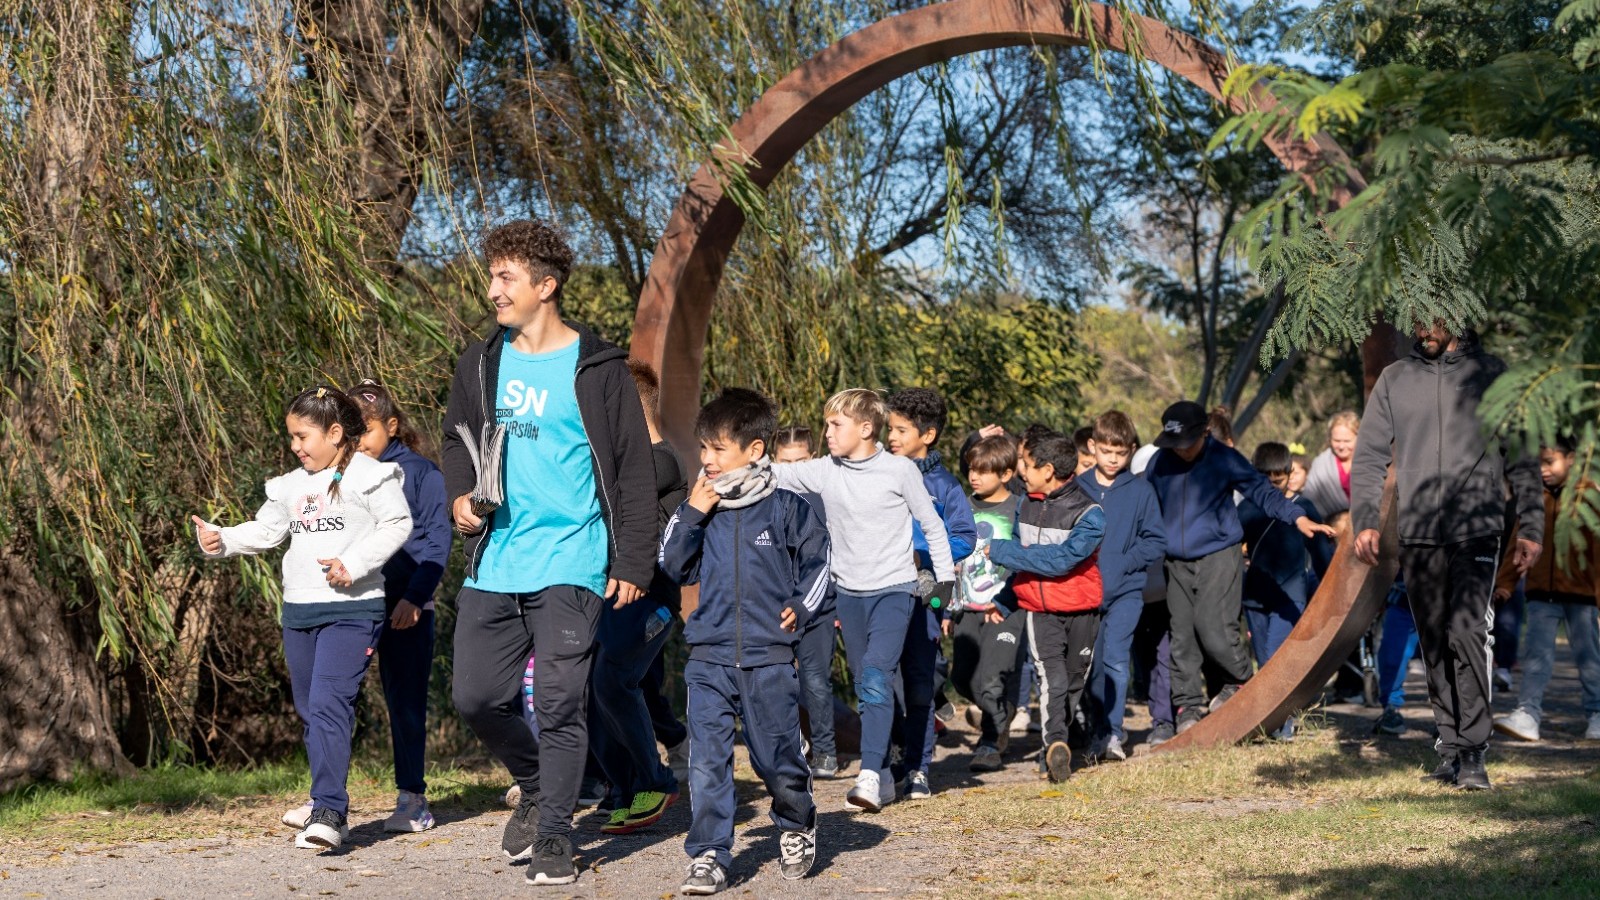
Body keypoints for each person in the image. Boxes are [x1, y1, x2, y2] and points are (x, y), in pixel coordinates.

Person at [442, 219, 656, 885]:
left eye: (505, 277)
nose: (493, 289)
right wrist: (459, 500)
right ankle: (537, 787)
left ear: (546, 285)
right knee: (476, 696)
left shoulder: (598, 368)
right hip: (499, 558)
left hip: (574, 557)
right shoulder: (482, 361)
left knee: (562, 702)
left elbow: (632, 470)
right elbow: (457, 440)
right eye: (493, 276)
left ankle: (556, 836)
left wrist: (632, 563)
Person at [193, 387, 411, 851]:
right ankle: (325, 800)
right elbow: (269, 530)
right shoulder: (292, 485)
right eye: (291, 436)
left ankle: (330, 811)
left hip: (352, 611)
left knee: (331, 703)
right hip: (299, 611)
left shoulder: (371, 475)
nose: (295, 445)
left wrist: (354, 562)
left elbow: (398, 524)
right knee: (312, 710)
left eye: (302, 436)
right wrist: (223, 538)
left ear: (335, 433)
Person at [1351, 322, 1544, 791]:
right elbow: (1369, 453)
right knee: (1434, 639)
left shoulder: (1494, 374)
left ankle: (1475, 752)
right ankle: (1452, 745)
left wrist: (1532, 526)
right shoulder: (1396, 378)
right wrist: (1366, 521)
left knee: (1466, 630)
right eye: (1414, 321)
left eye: (1430, 320)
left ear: (1456, 317)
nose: (1421, 330)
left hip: (1477, 527)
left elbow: (1521, 456)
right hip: (1417, 532)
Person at [659, 388, 830, 894]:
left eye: (718, 450)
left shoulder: (787, 508)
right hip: (708, 656)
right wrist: (692, 511)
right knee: (707, 761)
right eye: (703, 449)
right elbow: (672, 564)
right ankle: (709, 852)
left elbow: (820, 565)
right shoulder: (700, 506)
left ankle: (797, 821)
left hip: (768, 657)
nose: (707, 460)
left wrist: (801, 606)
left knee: (775, 760)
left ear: (754, 451)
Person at [772, 388, 955, 813]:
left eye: (836, 425)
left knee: (875, 676)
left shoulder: (899, 471)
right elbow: (773, 475)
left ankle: (870, 774)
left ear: (866, 428)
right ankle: (887, 779)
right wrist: (725, 469)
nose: (828, 432)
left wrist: (944, 588)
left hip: (895, 589)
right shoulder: (824, 471)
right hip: (849, 595)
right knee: (864, 683)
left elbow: (932, 525)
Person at [1146, 401, 1336, 734]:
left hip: (1219, 554)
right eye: (1174, 445)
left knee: (1213, 628)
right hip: (1175, 561)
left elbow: (1262, 492)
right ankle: (1188, 706)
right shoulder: (1160, 462)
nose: (1181, 451)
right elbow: (1143, 502)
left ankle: (1242, 680)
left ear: (1205, 432)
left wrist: (1298, 517)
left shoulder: (1224, 459)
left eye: (1187, 443)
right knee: (1183, 636)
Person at [344, 380, 451, 834]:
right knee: (334, 698)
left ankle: (413, 799)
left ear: (391, 426)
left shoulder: (422, 474)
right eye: (349, 431)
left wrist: (415, 597)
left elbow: (436, 543)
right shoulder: (341, 475)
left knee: (404, 703)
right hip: (353, 606)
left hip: (406, 608)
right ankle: (326, 800)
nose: (357, 441)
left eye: (365, 430)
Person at [587, 359, 687, 836]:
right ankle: (624, 788)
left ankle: (656, 780)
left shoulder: (659, 461)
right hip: (612, 598)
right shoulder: (627, 464)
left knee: (612, 680)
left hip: (652, 601)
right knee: (591, 687)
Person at [987, 433, 1106, 782]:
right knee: (1051, 679)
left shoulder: (1090, 513)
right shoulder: (1025, 504)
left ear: (1049, 469)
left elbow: (1059, 562)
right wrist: (1006, 600)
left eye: (1026, 464)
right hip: (1041, 612)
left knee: (1071, 683)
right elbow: (1023, 558)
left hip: (1083, 611)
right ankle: (1055, 745)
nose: (1021, 470)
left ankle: (1056, 744)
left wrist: (1003, 552)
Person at [885, 388, 976, 800]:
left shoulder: (944, 486)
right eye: (890, 428)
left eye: (901, 430)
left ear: (929, 434)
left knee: (921, 680)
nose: (892, 437)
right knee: (881, 681)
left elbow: (964, 536)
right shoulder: (876, 475)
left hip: (929, 592)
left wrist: (924, 557)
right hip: (880, 590)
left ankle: (919, 769)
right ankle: (889, 761)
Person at [1492, 437, 1600, 743]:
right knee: (1536, 656)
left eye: (1549, 461)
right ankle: (1528, 714)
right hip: (1540, 594)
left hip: (1581, 597)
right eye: (1538, 463)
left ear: (1571, 459)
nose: (1543, 470)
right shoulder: (1534, 499)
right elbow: (1519, 542)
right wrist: (1505, 583)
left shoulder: (1589, 497)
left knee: (1589, 658)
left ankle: (1596, 713)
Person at [1077, 411, 1166, 762]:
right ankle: (1097, 731)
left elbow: (1155, 540)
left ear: (1131, 450)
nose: (1113, 459)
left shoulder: (1141, 491)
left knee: (1115, 659)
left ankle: (1113, 734)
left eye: (1120, 452)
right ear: (1092, 446)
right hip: (1084, 592)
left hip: (1127, 591)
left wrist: (1124, 562)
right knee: (1092, 664)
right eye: (1106, 451)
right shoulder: (1078, 488)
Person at [946, 434, 1025, 772]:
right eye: (971, 470)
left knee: (990, 680)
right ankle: (1001, 713)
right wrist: (942, 607)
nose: (973, 476)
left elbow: (1027, 560)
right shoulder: (961, 506)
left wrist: (1007, 601)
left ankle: (990, 743)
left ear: (1006, 474)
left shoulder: (1020, 509)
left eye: (983, 471)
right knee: (962, 679)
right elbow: (945, 557)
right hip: (965, 608)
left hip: (1005, 609)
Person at [1238, 442, 1326, 739]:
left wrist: (1329, 592)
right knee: (1264, 662)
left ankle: (1283, 720)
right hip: (1254, 597)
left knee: (1279, 658)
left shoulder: (1306, 508)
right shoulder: (1247, 508)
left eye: (1280, 479)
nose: (1274, 486)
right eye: (1266, 480)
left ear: (1291, 473)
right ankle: (1267, 720)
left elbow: (1323, 553)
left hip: (1291, 597)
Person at [772, 424, 842, 778]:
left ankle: (826, 752)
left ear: (812, 459)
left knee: (815, 679)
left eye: (800, 461)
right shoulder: (766, 500)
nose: (793, 469)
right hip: (777, 606)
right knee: (778, 679)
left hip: (820, 604)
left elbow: (837, 551)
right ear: (773, 461)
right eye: (786, 462)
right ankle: (791, 745)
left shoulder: (824, 496)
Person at [1302, 411, 1359, 522]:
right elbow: (1309, 501)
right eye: (1336, 441)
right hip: (1330, 530)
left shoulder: (1371, 462)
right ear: (1329, 439)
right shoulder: (1320, 464)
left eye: (1347, 441)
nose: (1341, 446)